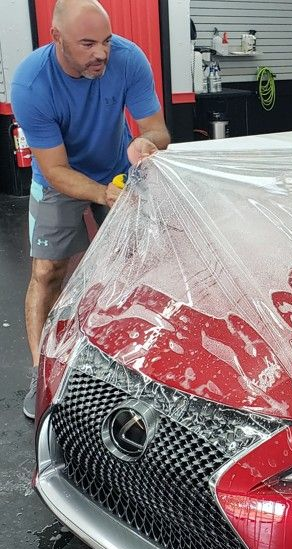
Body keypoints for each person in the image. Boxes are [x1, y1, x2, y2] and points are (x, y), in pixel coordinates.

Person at [11, 0, 170, 419]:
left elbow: (157, 128)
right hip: (60, 179)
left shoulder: (128, 59)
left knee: (138, 269)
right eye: (87, 43)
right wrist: (101, 195)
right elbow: (56, 169)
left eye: (106, 40)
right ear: (56, 38)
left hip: (118, 170)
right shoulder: (32, 84)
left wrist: (146, 143)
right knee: (47, 274)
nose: (101, 53)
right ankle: (41, 374)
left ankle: (135, 372)